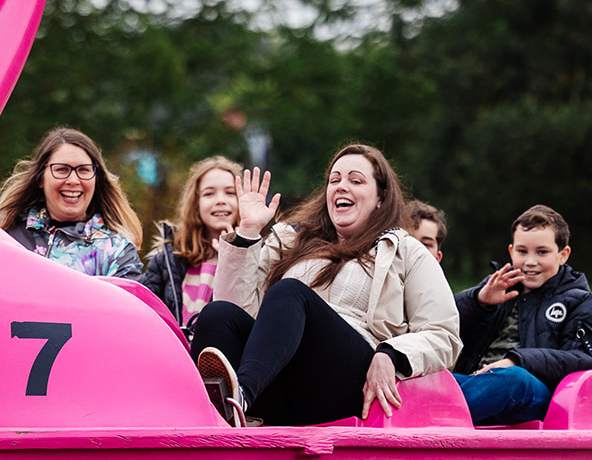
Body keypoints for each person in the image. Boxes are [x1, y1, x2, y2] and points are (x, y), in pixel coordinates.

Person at [189, 144, 462, 427]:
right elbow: (238, 306)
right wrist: (247, 231)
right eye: (335, 180)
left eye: (355, 180)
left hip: (348, 380)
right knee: (217, 315)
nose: (342, 187)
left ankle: (237, 399)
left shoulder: (405, 251)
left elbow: (444, 334)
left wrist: (392, 354)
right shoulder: (291, 241)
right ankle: (212, 417)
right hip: (280, 376)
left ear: (381, 196)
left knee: (290, 292)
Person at [452, 204, 592, 426]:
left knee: (513, 380)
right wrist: (479, 301)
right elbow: (440, 323)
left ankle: (435, 414)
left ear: (563, 255)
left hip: (534, 392)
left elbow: (589, 358)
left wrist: (517, 360)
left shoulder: (580, 301)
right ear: (511, 251)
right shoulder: (496, 285)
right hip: (476, 381)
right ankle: (433, 411)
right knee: (428, 380)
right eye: (522, 251)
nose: (530, 262)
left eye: (542, 252)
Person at [0, 127, 144, 278]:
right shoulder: (5, 236)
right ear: (40, 178)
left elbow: (129, 303)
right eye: (62, 169)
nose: (73, 180)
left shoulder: (117, 250)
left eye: (84, 170)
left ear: (97, 180)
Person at [139, 155, 243, 338]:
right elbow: (144, 306)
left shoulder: (256, 256)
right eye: (209, 194)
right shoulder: (169, 257)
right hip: (175, 353)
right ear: (195, 203)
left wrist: (234, 260)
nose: (220, 200)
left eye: (230, 192)